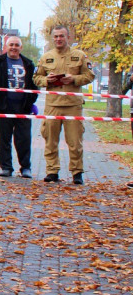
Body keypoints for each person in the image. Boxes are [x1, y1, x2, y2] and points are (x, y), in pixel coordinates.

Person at [33, 25, 94, 184]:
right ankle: (52, 171)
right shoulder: (46, 57)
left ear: (68, 38)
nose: (58, 39)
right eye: (56, 36)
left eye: (62, 36)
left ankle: (77, 173)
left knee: (75, 142)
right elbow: (37, 78)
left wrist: (73, 79)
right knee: (50, 140)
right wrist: (47, 80)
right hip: (53, 105)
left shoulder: (79, 56)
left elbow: (89, 75)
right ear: (52, 38)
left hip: (73, 105)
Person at [0, 36, 38, 178]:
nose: (14, 47)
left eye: (16, 45)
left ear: (21, 48)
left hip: (23, 108)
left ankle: (25, 168)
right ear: (6, 47)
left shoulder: (28, 64)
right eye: (11, 45)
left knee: (24, 139)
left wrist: (31, 102)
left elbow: (34, 85)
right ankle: (6, 167)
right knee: (4, 139)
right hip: (4, 107)